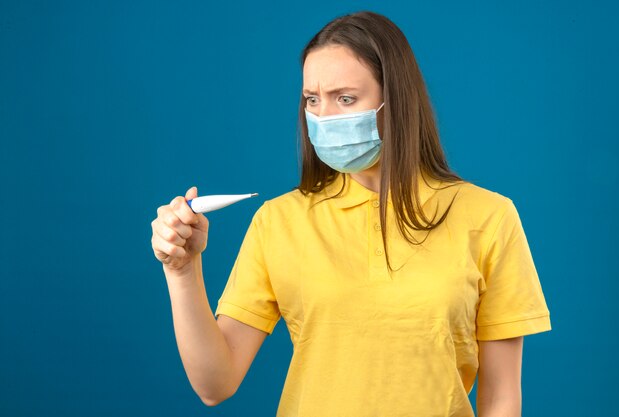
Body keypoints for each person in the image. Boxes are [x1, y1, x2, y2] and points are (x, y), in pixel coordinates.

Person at [150, 11, 551, 417]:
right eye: (311, 99)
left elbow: (501, 398)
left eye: (345, 98)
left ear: (394, 98)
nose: (323, 117)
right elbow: (215, 385)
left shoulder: (488, 216)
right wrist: (183, 271)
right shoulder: (278, 222)